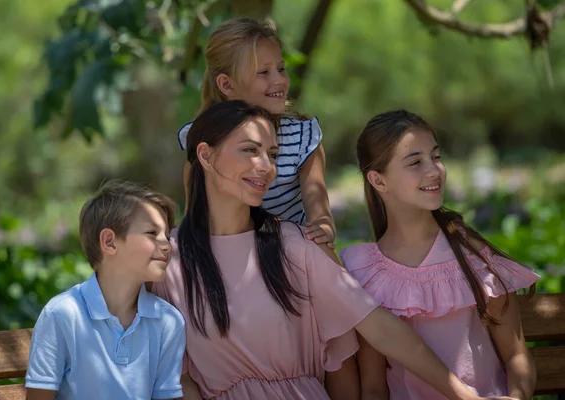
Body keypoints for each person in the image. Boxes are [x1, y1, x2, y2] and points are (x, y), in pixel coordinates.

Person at [152, 100, 510, 400]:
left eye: (272, 154)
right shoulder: (170, 260)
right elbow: (178, 378)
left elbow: (383, 330)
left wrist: (465, 397)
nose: (267, 167)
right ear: (206, 155)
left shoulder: (293, 245)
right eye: (250, 150)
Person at [340, 109, 540, 399]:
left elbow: (516, 355)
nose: (434, 170)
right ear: (378, 181)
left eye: (436, 156)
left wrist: (516, 397)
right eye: (415, 162)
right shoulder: (364, 273)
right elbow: (373, 387)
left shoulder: (471, 254)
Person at [177, 17, 335, 248]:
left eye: (281, 69)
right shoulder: (203, 141)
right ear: (227, 85)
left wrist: (323, 226)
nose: (279, 80)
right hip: (227, 252)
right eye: (264, 72)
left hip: (290, 254)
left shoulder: (303, 138)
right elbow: (196, 214)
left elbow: (319, 212)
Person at [25, 181, 185, 400]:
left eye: (167, 235)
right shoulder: (62, 315)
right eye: (152, 233)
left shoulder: (168, 321)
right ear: (109, 242)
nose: (167, 244)